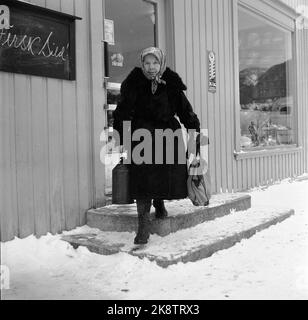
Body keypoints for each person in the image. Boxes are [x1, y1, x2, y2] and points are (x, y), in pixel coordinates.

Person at [113, 47, 201, 245]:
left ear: (161, 63)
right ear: (142, 64)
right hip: (140, 138)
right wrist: (121, 139)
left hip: (167, 136)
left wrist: (194, 134)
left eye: (155, 63)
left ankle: (159, 202)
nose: (151, 67)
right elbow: (122, 112)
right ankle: (143, 225)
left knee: (162, 175)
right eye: (147, 63)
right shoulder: (134, 84)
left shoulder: (171, 84)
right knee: (141, 179)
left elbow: (186, 112)